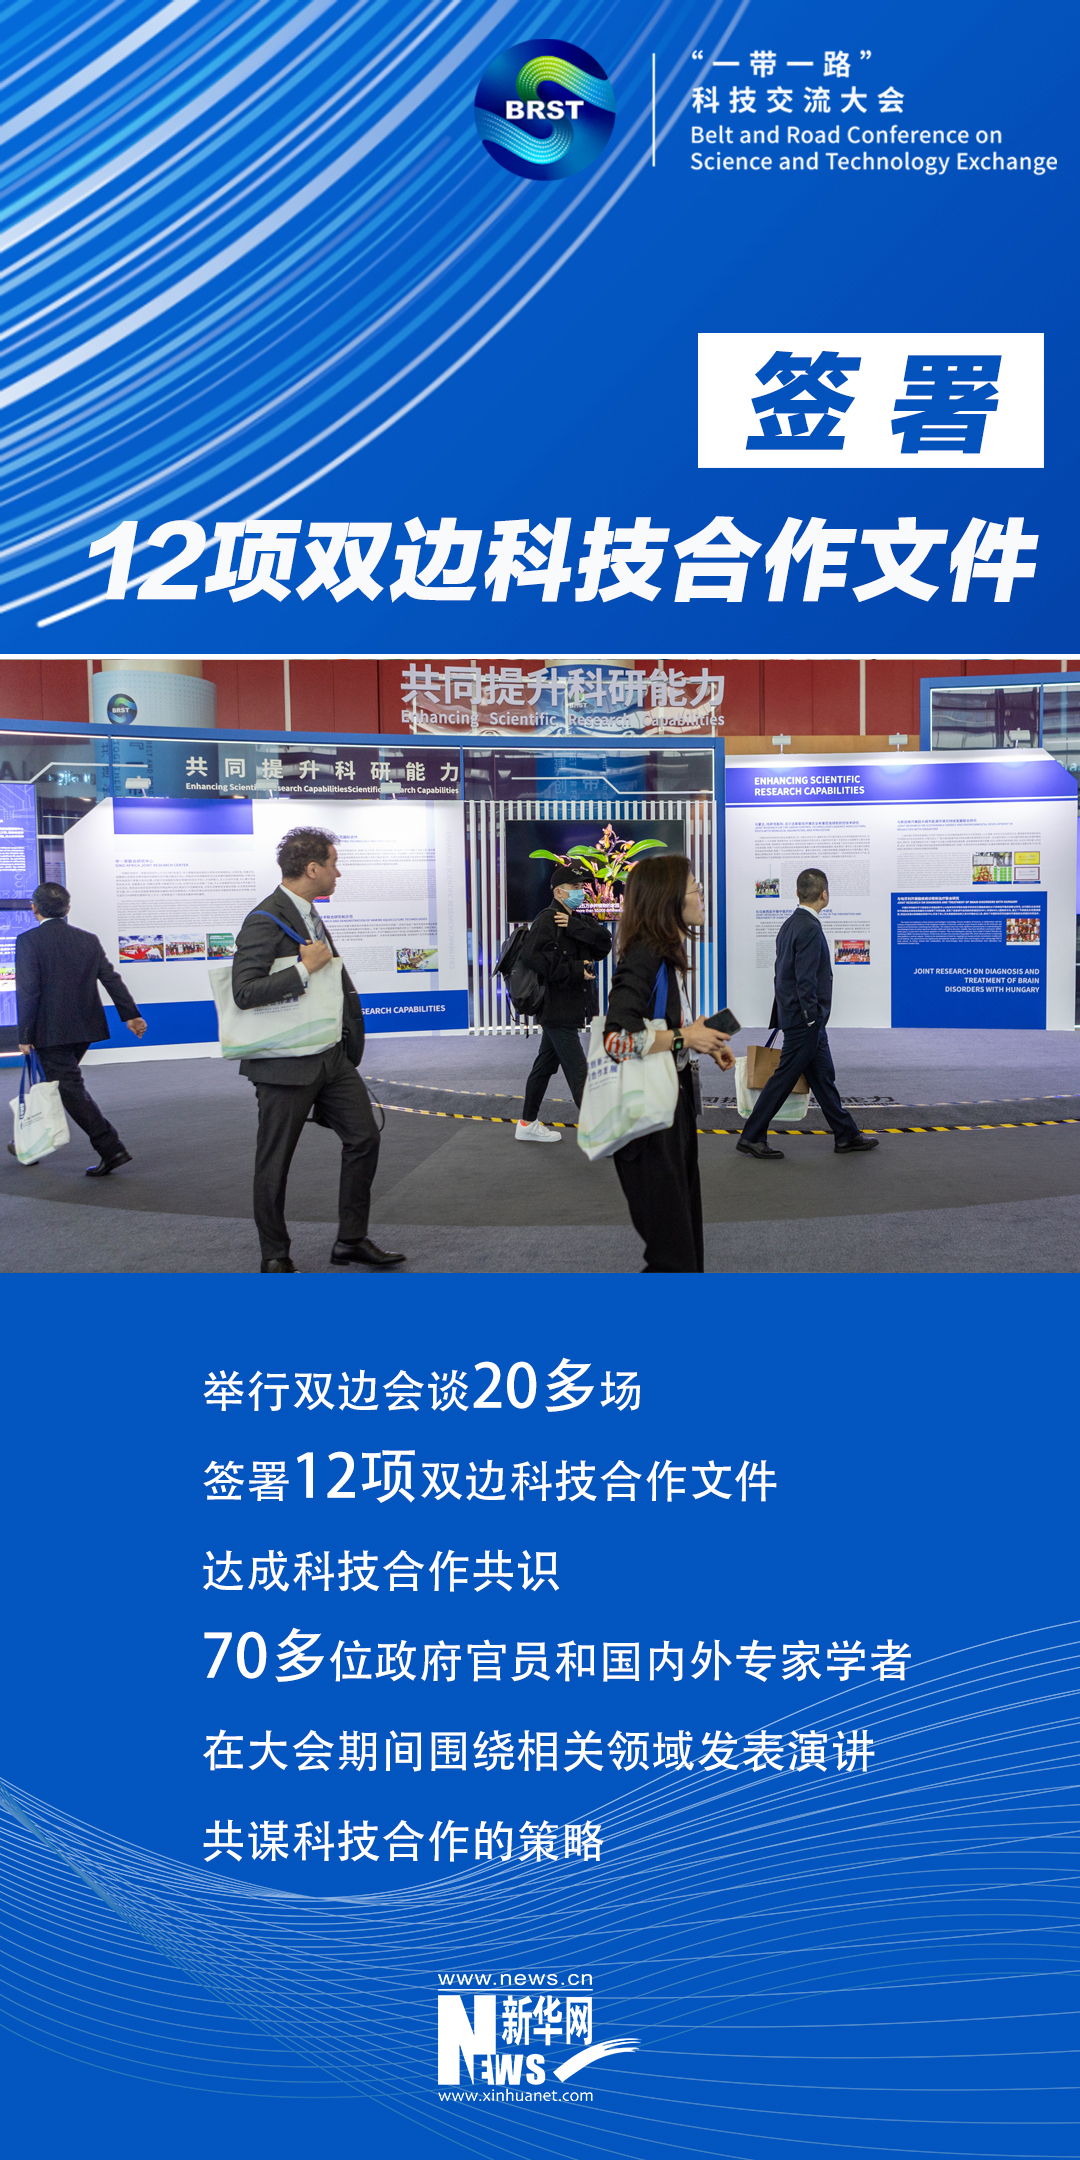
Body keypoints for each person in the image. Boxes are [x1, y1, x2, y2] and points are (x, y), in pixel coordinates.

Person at [232, 827, 405, 1274]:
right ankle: (275, 1254)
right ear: (312, 869)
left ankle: (351, 1240)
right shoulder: (263, 918)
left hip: (330, 1056)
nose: (337, 873)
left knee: (364, 1138)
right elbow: (244, 992)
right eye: (333, 864)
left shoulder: (306, 912)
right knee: (275, 1162)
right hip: (284, 1064)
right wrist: (302, 969)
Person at [603, 854, 733, 1273]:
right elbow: (616, 1039)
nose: (701, 896)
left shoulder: (665, 954)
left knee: (685, 1249)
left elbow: (656, 1025)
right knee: (673, 1257)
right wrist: (684, 1037)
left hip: (672, 1109)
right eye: (695, 888)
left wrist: (699, 1038)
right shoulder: (644, 955)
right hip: (648, 1125)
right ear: (669, 899)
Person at [736, 867, 879, 1162]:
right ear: (824, 894)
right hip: (805, 1021)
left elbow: (781, 974)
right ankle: (751, 1136)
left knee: (823, 1077)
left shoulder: (790, 924)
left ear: (797, 893)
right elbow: (805, 980)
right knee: (784, 1077)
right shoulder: (810, 928)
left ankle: (846, 1135)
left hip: (800, 1017)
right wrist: (811, 1017)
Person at [14, 881, 146, 1174]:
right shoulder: (87, 939)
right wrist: (131, 1015)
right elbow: (110, 978)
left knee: (68, 1088)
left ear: (34, 909)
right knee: (57, 1084)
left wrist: (24, 1035)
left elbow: (29, 991)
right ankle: (28, 1142)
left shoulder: (28, 941)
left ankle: (111, 1147)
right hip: (84, 1029)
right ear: (67, 909)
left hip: (50, 1033)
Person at [516, 873, 613, 1144]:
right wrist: (575, 969)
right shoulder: (546, 919)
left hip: (571, 1007)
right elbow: (533, 958)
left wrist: (574, 927)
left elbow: (604, 943)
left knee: (545, 1065)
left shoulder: (578, 919)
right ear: (558, 891)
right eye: (574, 887)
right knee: (578, 1071)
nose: (580, 892)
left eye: (582, 887)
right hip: (556, 1008)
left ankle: (526, 1123)